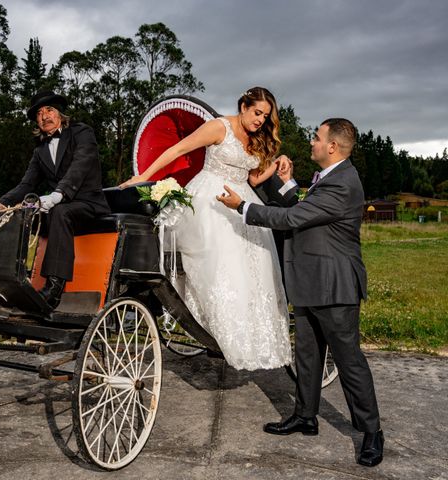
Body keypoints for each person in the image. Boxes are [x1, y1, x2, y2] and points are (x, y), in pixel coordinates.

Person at [217, 118, 384, 467]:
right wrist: (288, 181)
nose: (312, 142)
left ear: (333, 147)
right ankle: (305, 416)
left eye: (317, 137)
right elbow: (304, 209)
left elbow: (293, 219)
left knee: (349, 361)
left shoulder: (343, 183)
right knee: (307, 357)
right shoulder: (329, 179)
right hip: (310, 283)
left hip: (334, 286)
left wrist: (242, 207)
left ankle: (371, 432)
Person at [121, 87, 291, 370]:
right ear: (243, 106)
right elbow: (178, 149)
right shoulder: (218, 127)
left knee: (253, 269)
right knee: (219, 263)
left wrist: (276, 164)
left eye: (265, 116)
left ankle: (248, 339)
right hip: (209, 200)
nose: (260, 120)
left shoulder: (257, 139)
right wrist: (144, 176)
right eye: (257, 112)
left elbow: (252, 179)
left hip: (241, 202)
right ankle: (211, 328)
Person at [0, 90, 110, 309]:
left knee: (60, 212)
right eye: (39, 113)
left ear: (60, 114)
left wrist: (59, 194)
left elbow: (81, 165)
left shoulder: (82, 132)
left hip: (89, 204)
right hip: (61, 207)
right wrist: (0, 204)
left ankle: (54, 288)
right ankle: (13, 281)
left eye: (49, 110)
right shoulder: (40, 151)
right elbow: (26, 185)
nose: (44, 116)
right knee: (23, 216)